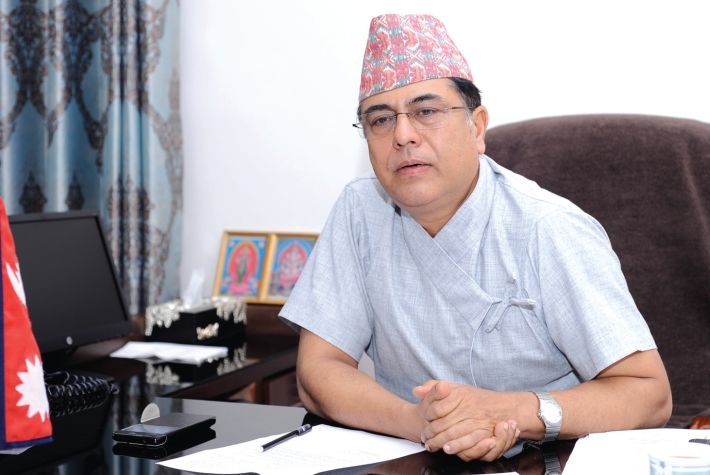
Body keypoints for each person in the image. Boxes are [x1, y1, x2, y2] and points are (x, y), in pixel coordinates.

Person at [279, 13, 672, 462]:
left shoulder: (547, 227)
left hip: (543, 459)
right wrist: (419, 422)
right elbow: (318, 369)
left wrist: (511, 412)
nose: (403, 136)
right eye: (381, 119)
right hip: (409, 454)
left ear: (478, 126)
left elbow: (649, 394)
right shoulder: (360, 211)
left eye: (426, 112)